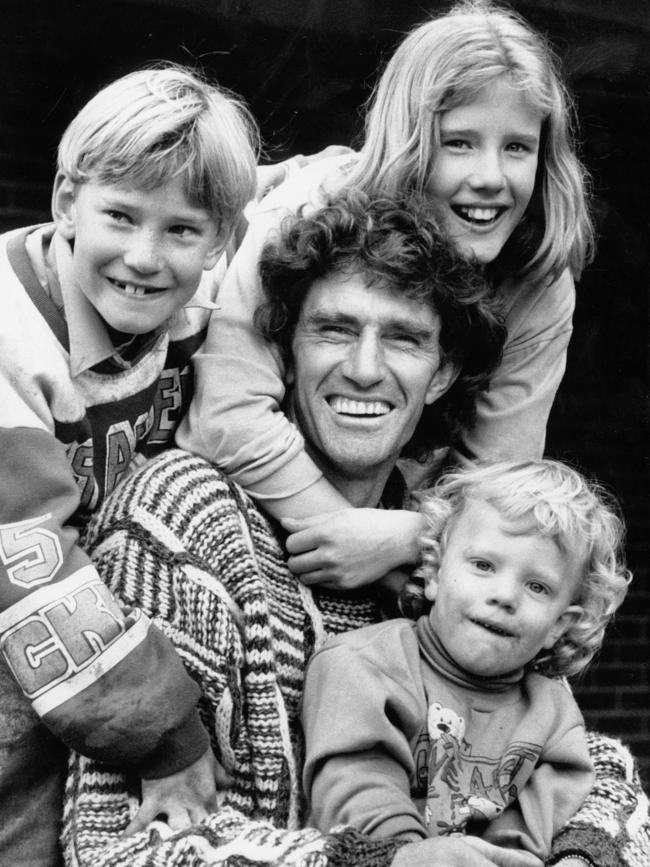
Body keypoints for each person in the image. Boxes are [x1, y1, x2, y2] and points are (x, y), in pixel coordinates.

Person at [62, 195, 650, 867]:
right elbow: (115, 845)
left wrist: (584, 852)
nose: (365, 368)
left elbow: (578, 754)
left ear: (444, 372)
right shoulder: (182, 518)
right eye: (335, 330)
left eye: (403, 338)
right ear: (287, 353)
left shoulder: (457, 547)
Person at [176, 0, 595, 590]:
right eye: (459, 142)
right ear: (407, 141)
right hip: (243, 495)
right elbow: (226, 415)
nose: (492, 177)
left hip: (401, 526)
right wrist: (347, 533)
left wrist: (404, 539)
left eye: (518, 147)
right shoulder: (306, 213)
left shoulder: (538, 281)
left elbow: (497, 481)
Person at [0, 63, 260, 865]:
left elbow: (299, 187)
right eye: (120, 215)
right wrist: (168, 733)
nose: (145, 257)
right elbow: (27, 564)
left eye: (182, 230)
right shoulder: (10, 336)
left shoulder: (191, 308)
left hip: (67, 661)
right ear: (63, 200)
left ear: (223, 240)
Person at [302, 459, 632, 863]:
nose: (505, 595)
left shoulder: (554, 718)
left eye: (537, 586)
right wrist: (411, 855)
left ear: (558, 625)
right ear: (436, 572)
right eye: (483, 565)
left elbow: (530, 836)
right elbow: (355, 792)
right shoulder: (363, 666)